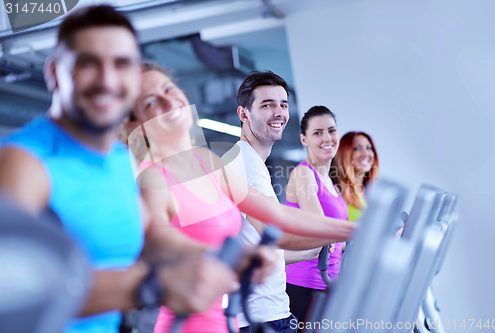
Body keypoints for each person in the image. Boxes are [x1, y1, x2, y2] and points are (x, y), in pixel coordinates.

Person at [0, 6, 248, 333]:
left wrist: (221, 256)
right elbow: (12, 288)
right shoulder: (24, 161)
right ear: (54, 72)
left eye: (121, 64)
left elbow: (149, 237)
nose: (107, 80)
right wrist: (150, 286)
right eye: (88, 63)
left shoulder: (120, 158)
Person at [123, 63, 358, 333]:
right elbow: (161, 246)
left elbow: (277, 215)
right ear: (134, 123)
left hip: (228, 321)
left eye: (169, 88)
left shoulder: (206, 161)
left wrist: (356, 229)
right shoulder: (151, 178)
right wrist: (240, 257)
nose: (168, 100)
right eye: (151, 101)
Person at [223, 72, 357, 333]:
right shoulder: (245, 165)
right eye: (267, 105)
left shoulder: (251, 163)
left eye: (283, 104)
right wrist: (349, 231)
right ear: (243, 114)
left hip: (272, 312)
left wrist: (311, 249)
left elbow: (266, 247)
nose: (279, 113)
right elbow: (277, 235)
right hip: (258, 318)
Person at [284, 106, 347, 324]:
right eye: (317, 133)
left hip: (328, 284)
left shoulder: (330, 181)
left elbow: (338, 242)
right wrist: (363, 232)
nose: (327, 138)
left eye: (331, 130)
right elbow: (321, 229)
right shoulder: (303, 173)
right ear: (304, 140)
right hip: (305, 286)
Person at [336, 131, 379, 221]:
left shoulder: (365, 192)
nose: (365, 154)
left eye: (368, 148)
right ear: (345, 154)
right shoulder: (340, 190)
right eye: (357, 148)